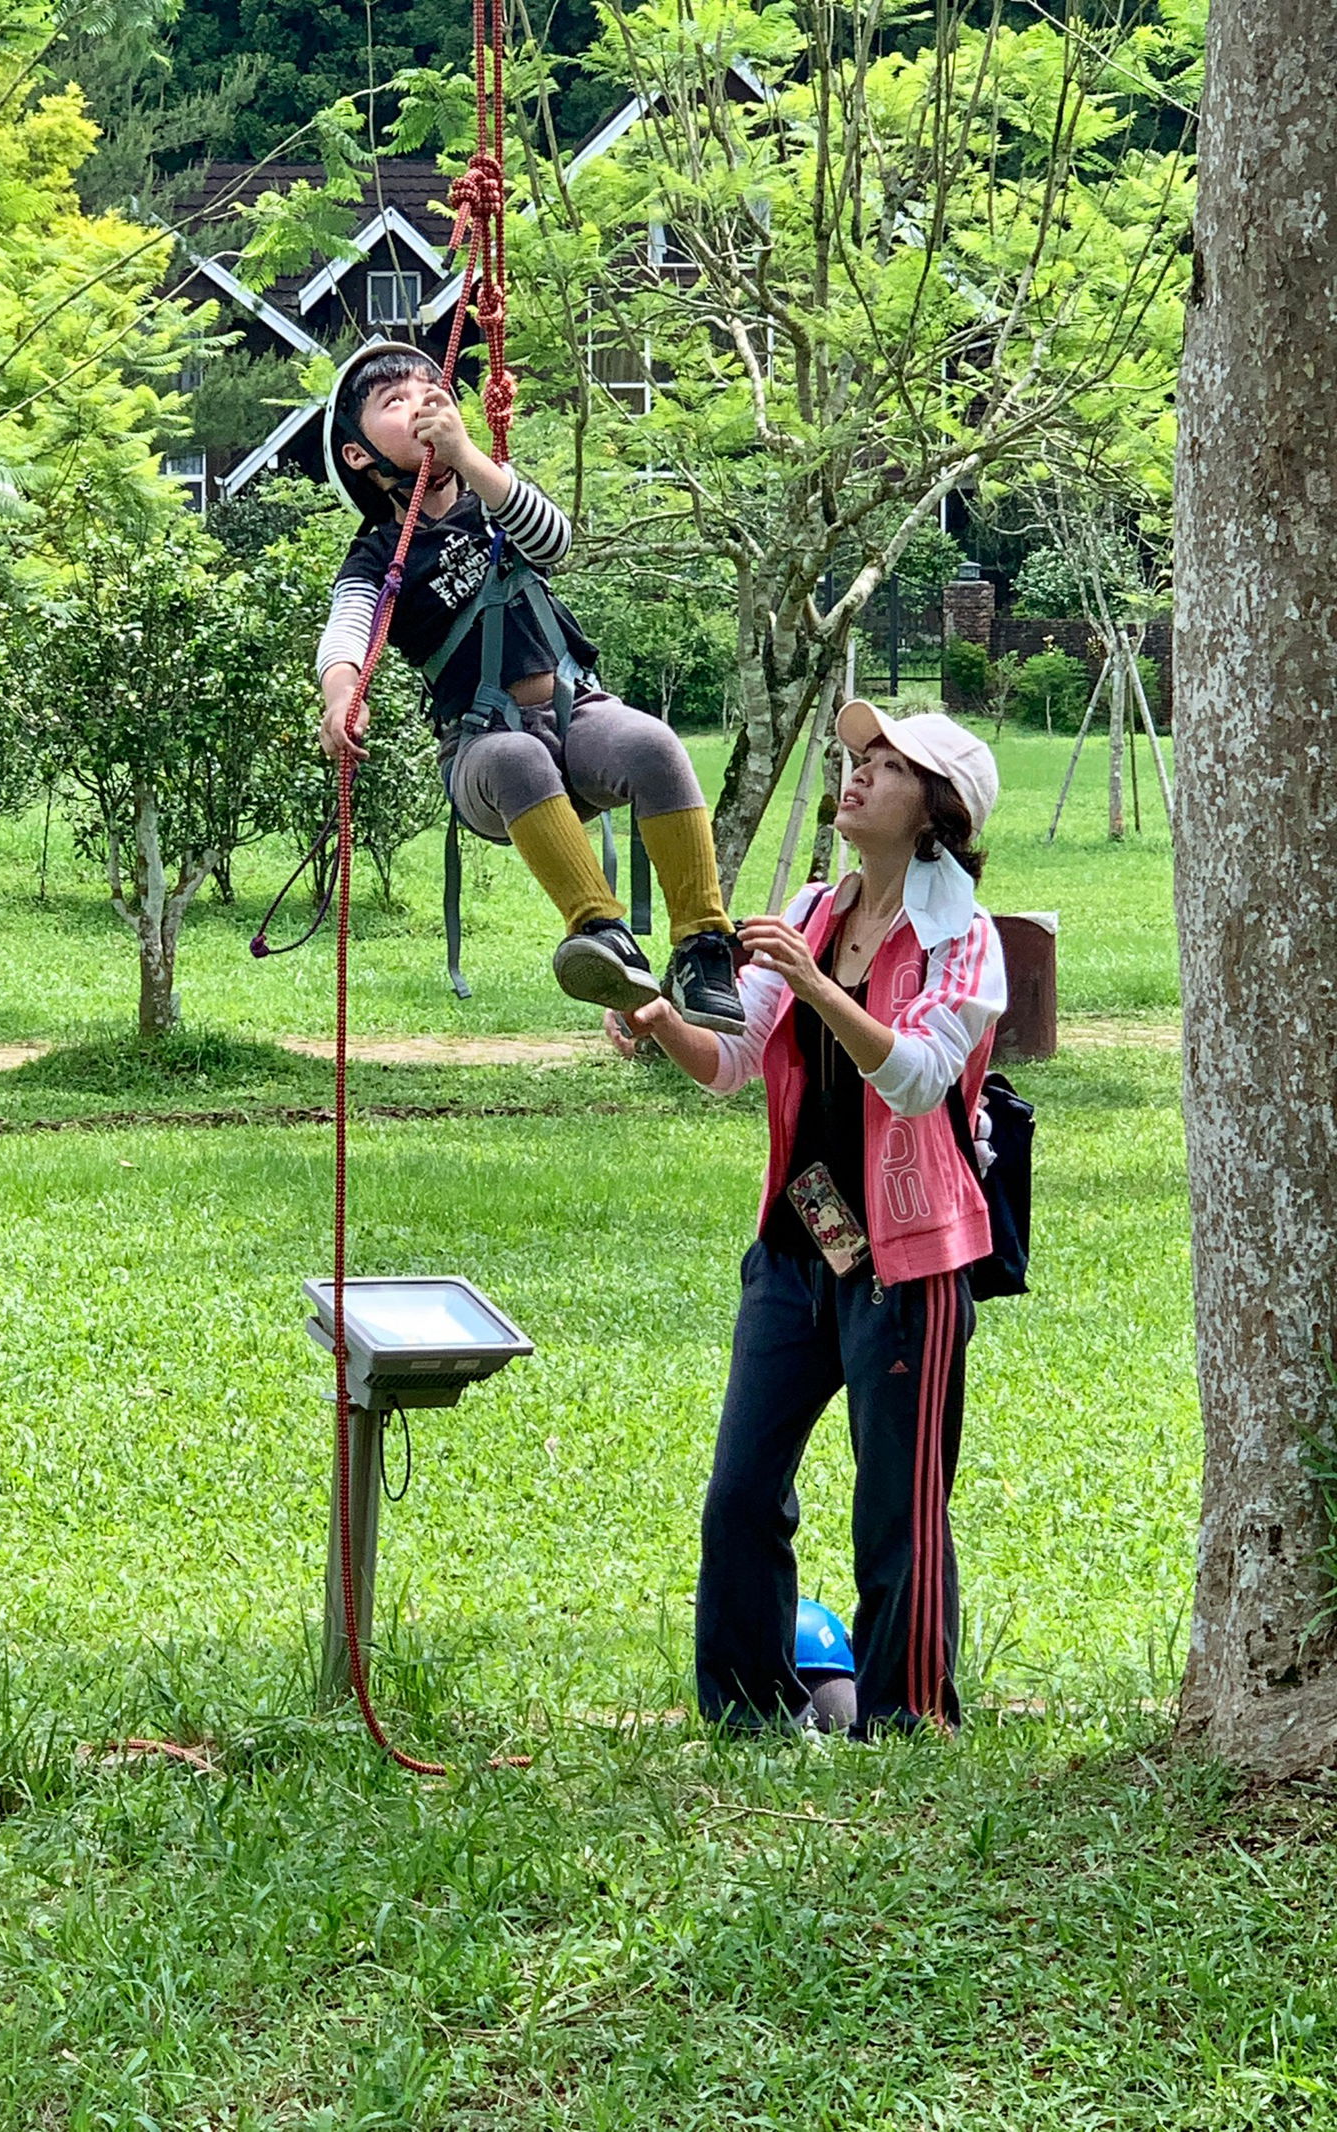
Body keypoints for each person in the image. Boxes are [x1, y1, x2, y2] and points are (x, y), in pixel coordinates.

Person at [608, 701, 1006, 1736]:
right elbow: (733, 1058)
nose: (857, 777)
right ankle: (747, 1712)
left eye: (885, 765)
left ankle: (907, 1721)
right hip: (801, 1240)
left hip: (907, 1263)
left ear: (938, 810)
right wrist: (661, 1020)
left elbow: (918, 1076)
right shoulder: (815, 908)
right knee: (740, 1491)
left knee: (897, 1513)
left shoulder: (965, 936)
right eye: (854, 759)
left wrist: (811, 980)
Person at [315, 341, 744, 1033]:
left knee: (654, 745)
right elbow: (346, 635)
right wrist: (342, 699)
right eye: (394, 402)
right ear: (360, 455)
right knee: (518, 757)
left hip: (577, 713)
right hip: (484, 751)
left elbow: (554, 544)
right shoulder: (376, 557)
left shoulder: (495, 499)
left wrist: (472, 460)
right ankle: (599, 931)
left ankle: (704, 943)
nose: (422, 403)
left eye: (432, 391)